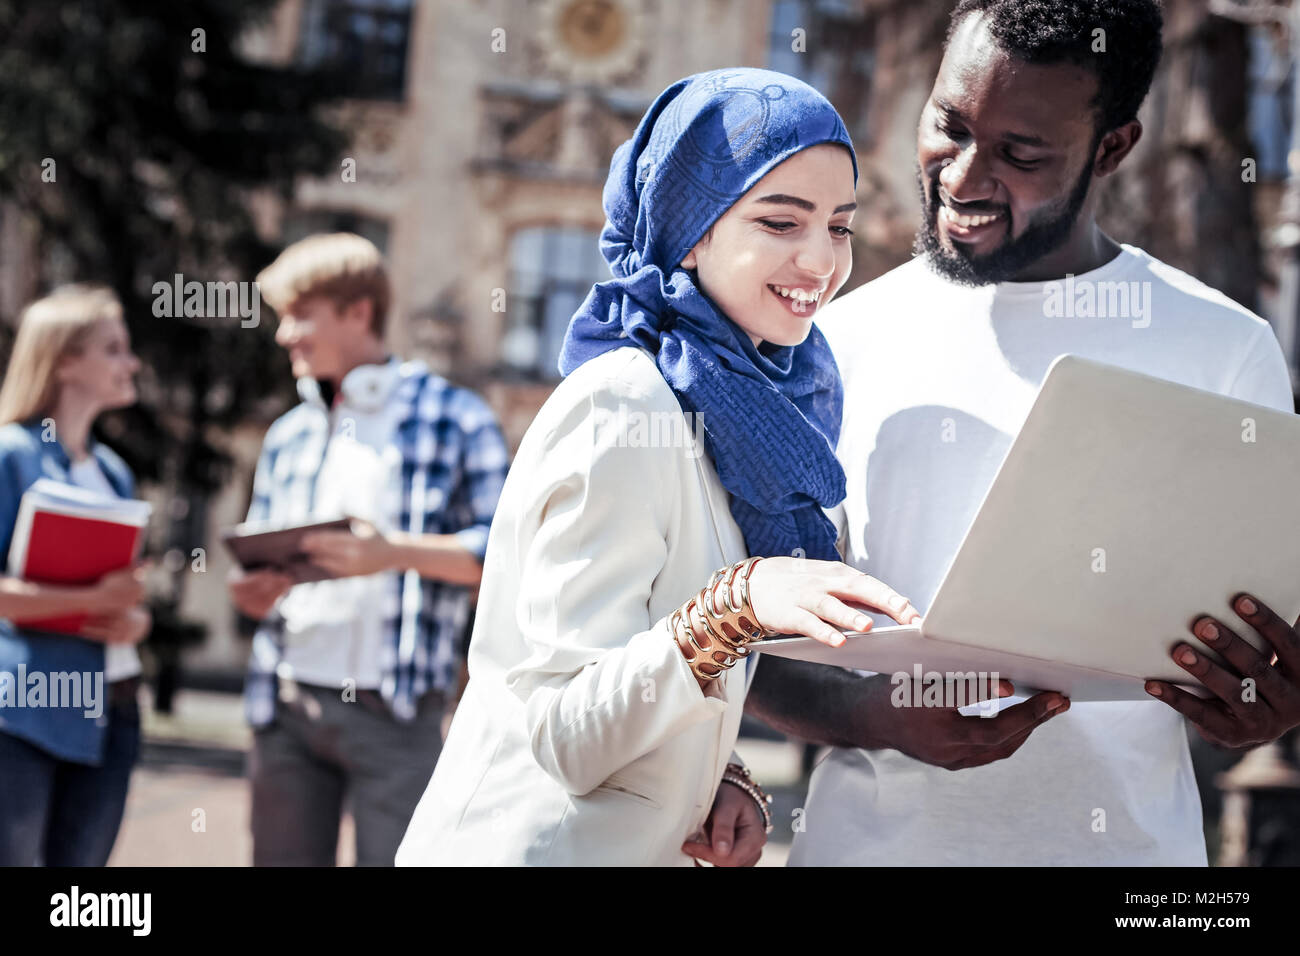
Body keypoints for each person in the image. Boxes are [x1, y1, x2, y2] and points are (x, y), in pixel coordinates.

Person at [746, 0, 1300, 866]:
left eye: (1020, 153)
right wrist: (869, 715)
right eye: (950, 126)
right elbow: (738, 639)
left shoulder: (1224, 349)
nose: (963, 178)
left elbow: (1261, 629)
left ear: (1113, 147)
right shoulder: (830, 344)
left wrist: (1270, 701)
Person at [396, 68, 919, 868]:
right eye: (781, 222)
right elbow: (567, 735)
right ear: (692, 230)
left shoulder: (758, 413)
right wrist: (736, 607)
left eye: (840, 227)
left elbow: (644, 673)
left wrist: (717, 777)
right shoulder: (624, 404)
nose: (821, 261)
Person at [229, 233, 510, 866]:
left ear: (359, 312)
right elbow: (256, 564)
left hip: (398, 713)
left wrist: (391, 554)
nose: (284, 335)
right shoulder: (288, 434)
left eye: (300, 315)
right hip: (287, 703)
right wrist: (250, 591)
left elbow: (503, 556)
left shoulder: (456, 417)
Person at [0, 285, 151, 866]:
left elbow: (123, 593)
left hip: (114, 707)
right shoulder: (12, 457)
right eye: (113, 349)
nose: (129, 363)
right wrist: (90, 599)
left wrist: (132, 618)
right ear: (65, 360)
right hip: (26, 711)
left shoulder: (114, 472)